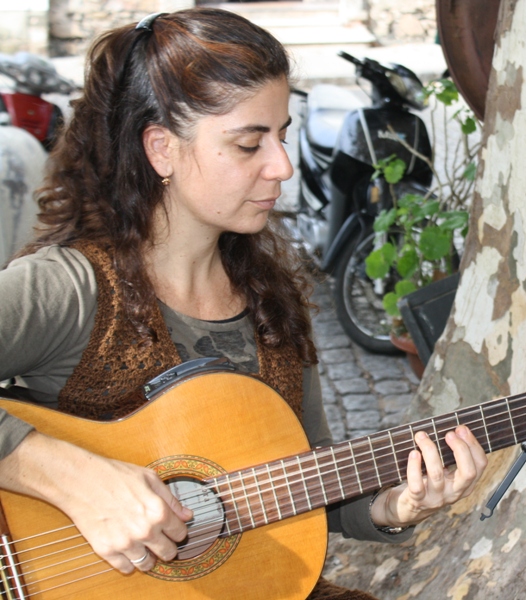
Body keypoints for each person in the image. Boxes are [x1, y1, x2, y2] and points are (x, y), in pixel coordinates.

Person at [0, 8, 488, 599]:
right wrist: (75, 478)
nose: (281, 166)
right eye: (249, 142)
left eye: (282, 135)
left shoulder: (271, 303)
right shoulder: (68, 290)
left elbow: (302, 476)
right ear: (161, 149)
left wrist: (393, 504)